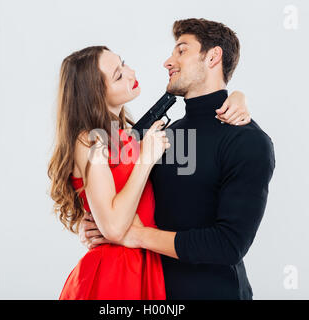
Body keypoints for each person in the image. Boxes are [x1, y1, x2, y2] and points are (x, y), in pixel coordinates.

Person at [79, 18, 275, 300]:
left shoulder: (248, 142)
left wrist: (135, 236)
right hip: (150, 293)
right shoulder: (159, 138)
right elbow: (119, 197)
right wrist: (94, 224)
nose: (167, 61)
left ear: (213, 57)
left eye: (181, 50)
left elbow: (228, 244)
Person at [49, 43, 251, 299]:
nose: (131, 72)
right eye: (118, 75)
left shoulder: (123, 137)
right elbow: (112, 227)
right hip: (116, 274)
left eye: (123, 63)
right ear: (95, 94)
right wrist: (145, 159)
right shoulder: (89, 141)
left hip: (149, 267)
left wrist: (237, 97)